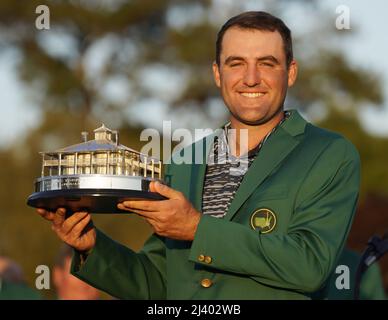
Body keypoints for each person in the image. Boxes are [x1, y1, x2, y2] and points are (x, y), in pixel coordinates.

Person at [37, 11, 361, 299]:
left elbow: (310, 265)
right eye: (236, 63)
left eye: (266, 63)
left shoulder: (329, 153)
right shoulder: (185, 160)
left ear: (290, 72)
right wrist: (91, 245)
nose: (251, 78)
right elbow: (159, 283)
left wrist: (197, 229)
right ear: (218, 74)